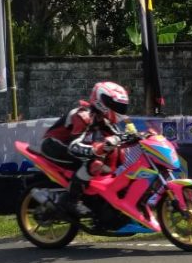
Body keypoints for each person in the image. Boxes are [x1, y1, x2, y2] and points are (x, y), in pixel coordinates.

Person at [40, 81, 131, 217]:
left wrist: (140, 136)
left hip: (67, 146)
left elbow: (118, 137)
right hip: (53, 146)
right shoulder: (83, 116)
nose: (119, 110)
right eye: (116, 106)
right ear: (101, 101)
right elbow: (73, 147)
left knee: (117, 154)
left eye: (122, 107)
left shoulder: (100, 117)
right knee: (94, 162)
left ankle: (96, 198)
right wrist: (96, 150)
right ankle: (70, 200)